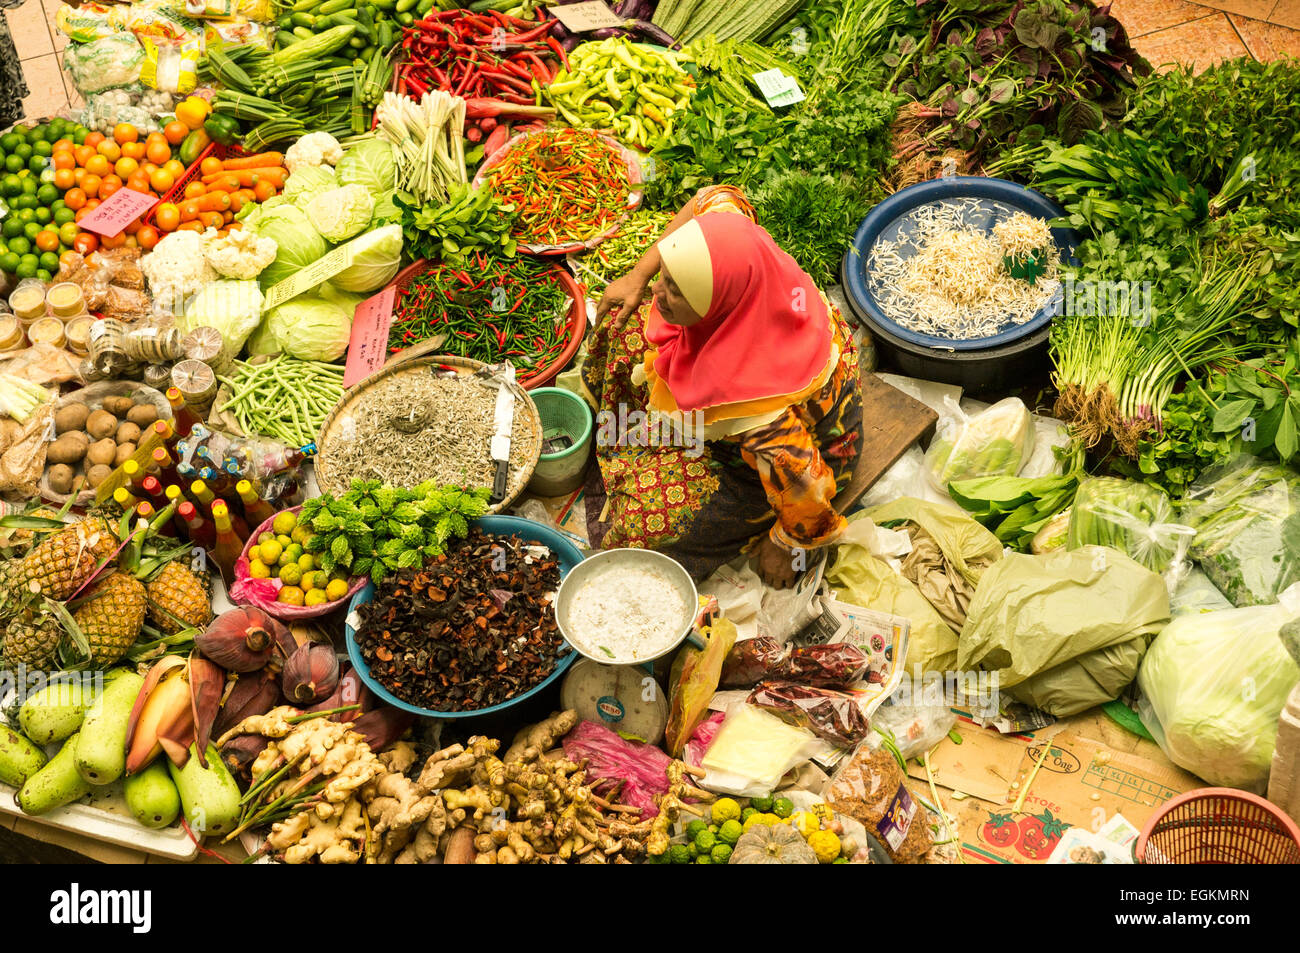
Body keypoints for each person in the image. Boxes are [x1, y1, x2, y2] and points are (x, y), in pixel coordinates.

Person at [584, 184, 862, 587]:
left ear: (716, 308)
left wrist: (788, 545)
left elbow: (806, 485)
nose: (658, 292)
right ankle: (654, 422)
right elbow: (707, 197)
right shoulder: (727, 225)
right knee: (624, 327)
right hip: (783, 330)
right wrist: (639, 274)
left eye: (675, 290)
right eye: (665, 278)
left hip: (807, 451)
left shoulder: (759, 413)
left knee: (646, 524)